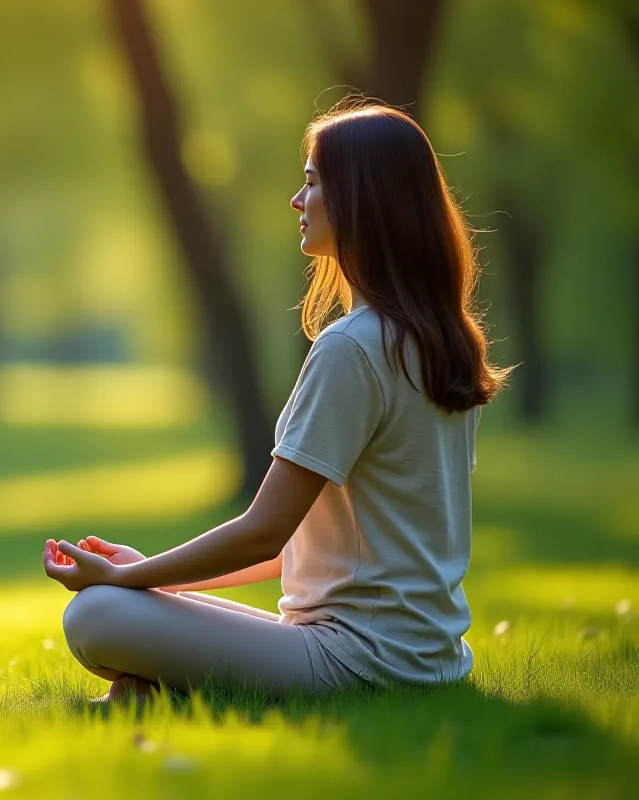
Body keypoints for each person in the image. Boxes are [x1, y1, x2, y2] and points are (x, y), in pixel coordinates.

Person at [43, 100, 511, 705]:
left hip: (358, 661)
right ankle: (172, 698)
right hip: (425, 658)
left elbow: (262, 532)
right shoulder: (439, 341)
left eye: (313, 183)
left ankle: (172, 693)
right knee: (127, 602)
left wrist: (126, 578)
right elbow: (296, 546)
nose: (297, 200)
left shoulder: (355, 347)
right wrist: (152, 573)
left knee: (96, 614)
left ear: (360, 199)